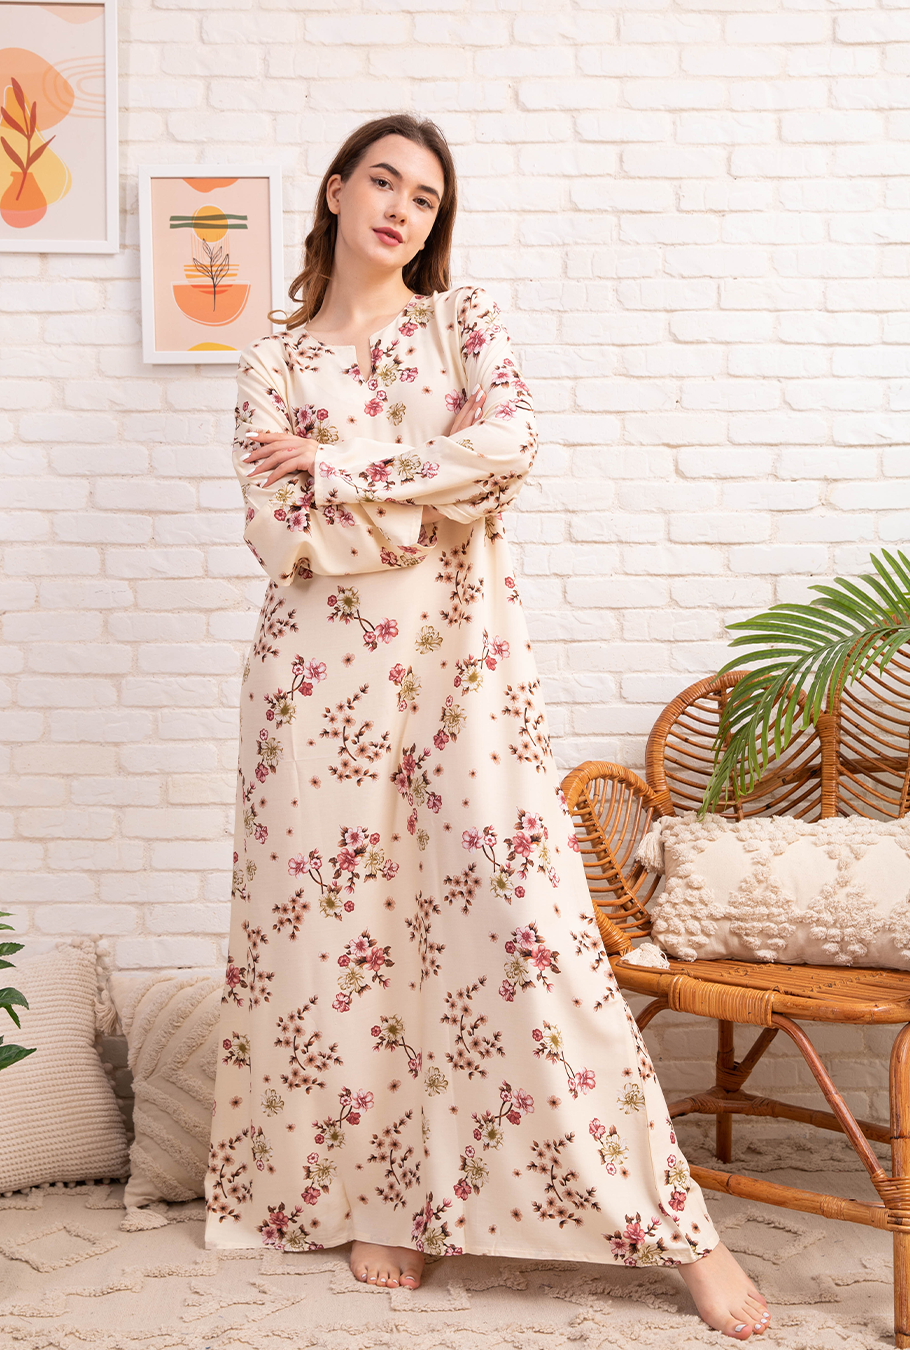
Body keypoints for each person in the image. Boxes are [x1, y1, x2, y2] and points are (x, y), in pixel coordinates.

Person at [203, 113, 770, 1342]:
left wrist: (345, 468)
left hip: (465, 676)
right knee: (344, 944)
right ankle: (387, 1199)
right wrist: (430, 490)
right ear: (336, 191)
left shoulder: (464, 322)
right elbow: (282, 534)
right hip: (315, 689)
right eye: (383, 182)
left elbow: (508, 451)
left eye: (425, 197)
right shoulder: (272, 364)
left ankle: (680, 1230)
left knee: (525, 925)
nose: (401, 208)